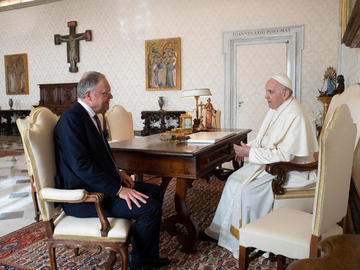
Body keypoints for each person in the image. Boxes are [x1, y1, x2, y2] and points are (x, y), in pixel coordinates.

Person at [54, 71, 169, 270]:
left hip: (98, 187)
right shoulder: (71, 120)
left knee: (155, 192)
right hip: (85, 197)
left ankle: (144, 255)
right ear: (89, 95)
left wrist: (118, 174)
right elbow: (82, 166)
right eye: (106, 92)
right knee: (149, 209)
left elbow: (100, 157)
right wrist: (118, 190)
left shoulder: (91, 117)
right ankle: (141, 265)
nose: (111, 97)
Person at [201, 74, 319, 259]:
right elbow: (263, 139)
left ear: (285, 93)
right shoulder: (277, 109)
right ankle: (219, 231)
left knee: (247, 190)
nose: (266, 96)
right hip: (274, 164)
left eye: (270, 92)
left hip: (291, 170)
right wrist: (245, 150)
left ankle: (252, 240)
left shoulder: (295, 115)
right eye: (266, 91)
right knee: (233, 180)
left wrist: (250, 153)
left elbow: (285, 155)